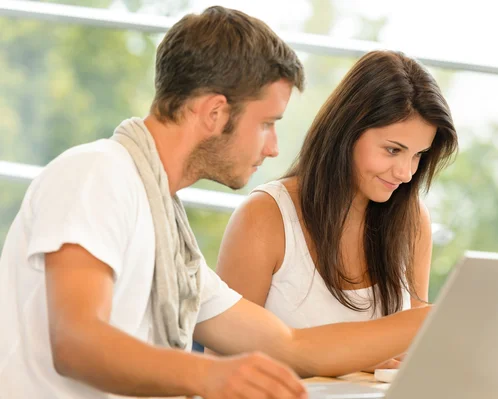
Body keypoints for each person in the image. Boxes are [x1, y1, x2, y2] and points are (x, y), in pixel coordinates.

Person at [0, 7, 432, 399]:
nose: (274, 148)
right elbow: (77, 343)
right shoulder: (97, 174)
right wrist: (208, 375)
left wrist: (435, 321)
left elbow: (290, 346)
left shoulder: (172, 239)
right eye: (266, 124)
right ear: (214, 113)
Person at [214, 50, 458, 370]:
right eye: (392, 150)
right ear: (347, 132)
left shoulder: (411, 219)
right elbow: (224, 367)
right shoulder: (264, 217)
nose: (406, 173)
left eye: (418, 155)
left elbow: (408, 352)